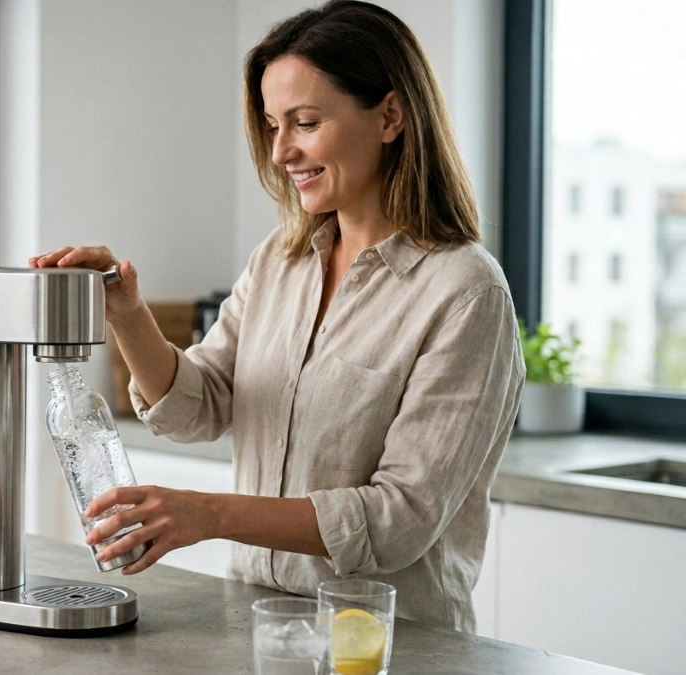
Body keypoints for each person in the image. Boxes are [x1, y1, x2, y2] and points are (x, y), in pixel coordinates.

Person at [29, 0, 523, 633]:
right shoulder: (280, 261)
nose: (282, 150)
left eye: (306, 123)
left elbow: (399, 520)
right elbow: (197, 406)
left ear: (391, 116)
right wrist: (127, 314)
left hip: (392, 648)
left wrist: (210, 514)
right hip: (259, 629)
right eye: (272, 125)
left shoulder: (465, 292)